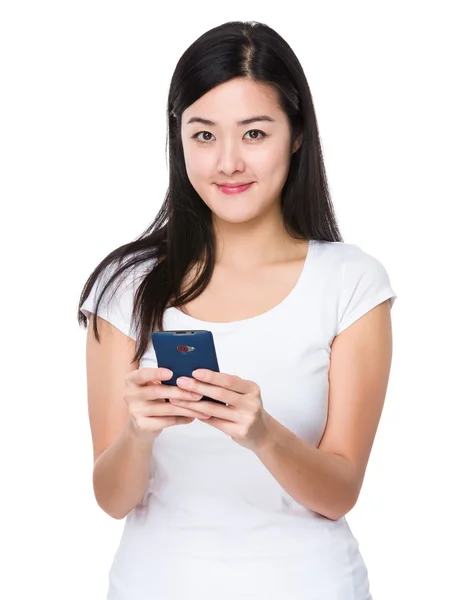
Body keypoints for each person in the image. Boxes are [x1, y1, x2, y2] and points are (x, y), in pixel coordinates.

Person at [78, 20, 397, 600]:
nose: (227, 163)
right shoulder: (125, 287)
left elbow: (340, 492)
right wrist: (138, 432)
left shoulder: (350, 283)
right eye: (204, 136)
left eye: (254, 134)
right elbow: (111, 497)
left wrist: (263, 434)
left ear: (296, 135)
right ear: (179, 140)